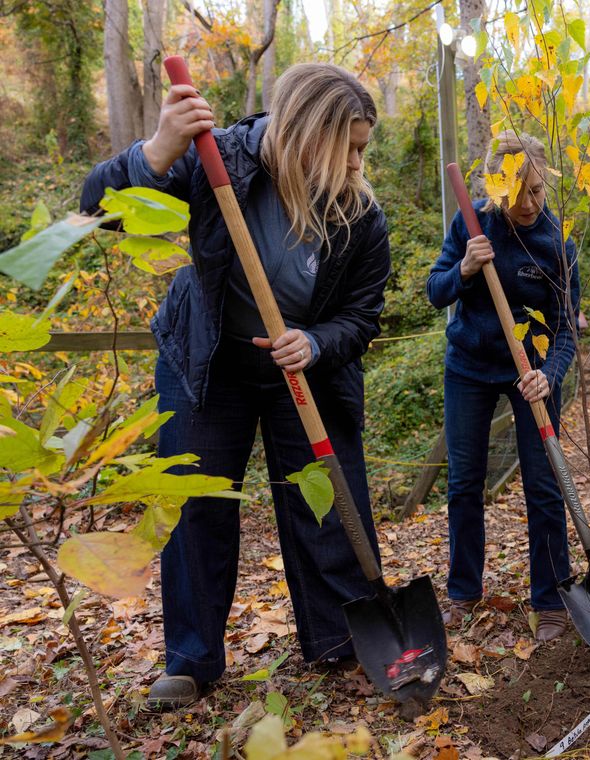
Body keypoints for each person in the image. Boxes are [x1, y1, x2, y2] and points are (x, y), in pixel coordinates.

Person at [81, 63, 392, 707]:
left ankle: (339, 639)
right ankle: (192, 659)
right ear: (309, 134)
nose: (360, 161)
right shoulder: (214, 158)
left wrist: (315, 341)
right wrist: (158, 150)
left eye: (365, 146)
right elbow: (98, 211)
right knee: (196, 505)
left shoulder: (361, 215)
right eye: (351, 147)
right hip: (207, 362)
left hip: (300, 371)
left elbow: (361, 317)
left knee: (326, 501)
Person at [426, 131, 579, 642]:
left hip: (532, 375)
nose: (531, 203)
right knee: (465, 483)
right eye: (519, 193)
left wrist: (548, 376)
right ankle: (463, 592)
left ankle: (552, 599)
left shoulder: (557, 244)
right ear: (497, 187)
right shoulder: (472, 224)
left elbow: (566, 332)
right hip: (468, 365)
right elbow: (436, 290)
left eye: (538, 191)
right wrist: (466, 267)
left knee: (543, 483)